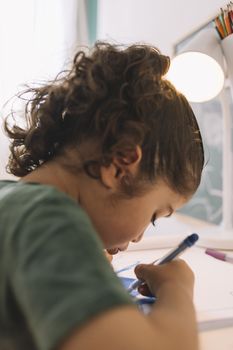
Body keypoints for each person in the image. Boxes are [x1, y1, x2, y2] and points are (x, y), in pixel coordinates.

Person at [0, 42, 204, 350]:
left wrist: (83, 264)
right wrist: (177, 290)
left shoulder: (12, 198)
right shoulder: (49, 221)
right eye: (153, 216)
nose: (138, 238)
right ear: (120, 165)